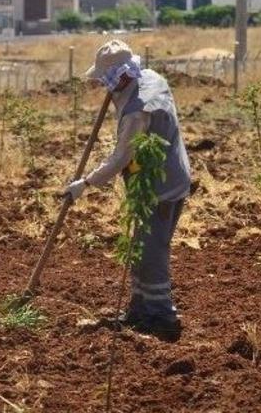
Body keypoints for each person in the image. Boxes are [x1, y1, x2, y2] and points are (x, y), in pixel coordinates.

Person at [64, 40, 191, 339]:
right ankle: (140, 309)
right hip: (171, 176)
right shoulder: (151, 78)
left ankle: (162, 316)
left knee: (151, 251)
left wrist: (86, 184)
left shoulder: (137, 111)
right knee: (141, 246)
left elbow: (122, 156)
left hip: (158, 186)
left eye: (104, 80)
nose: (101, 86)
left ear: (119, 76)